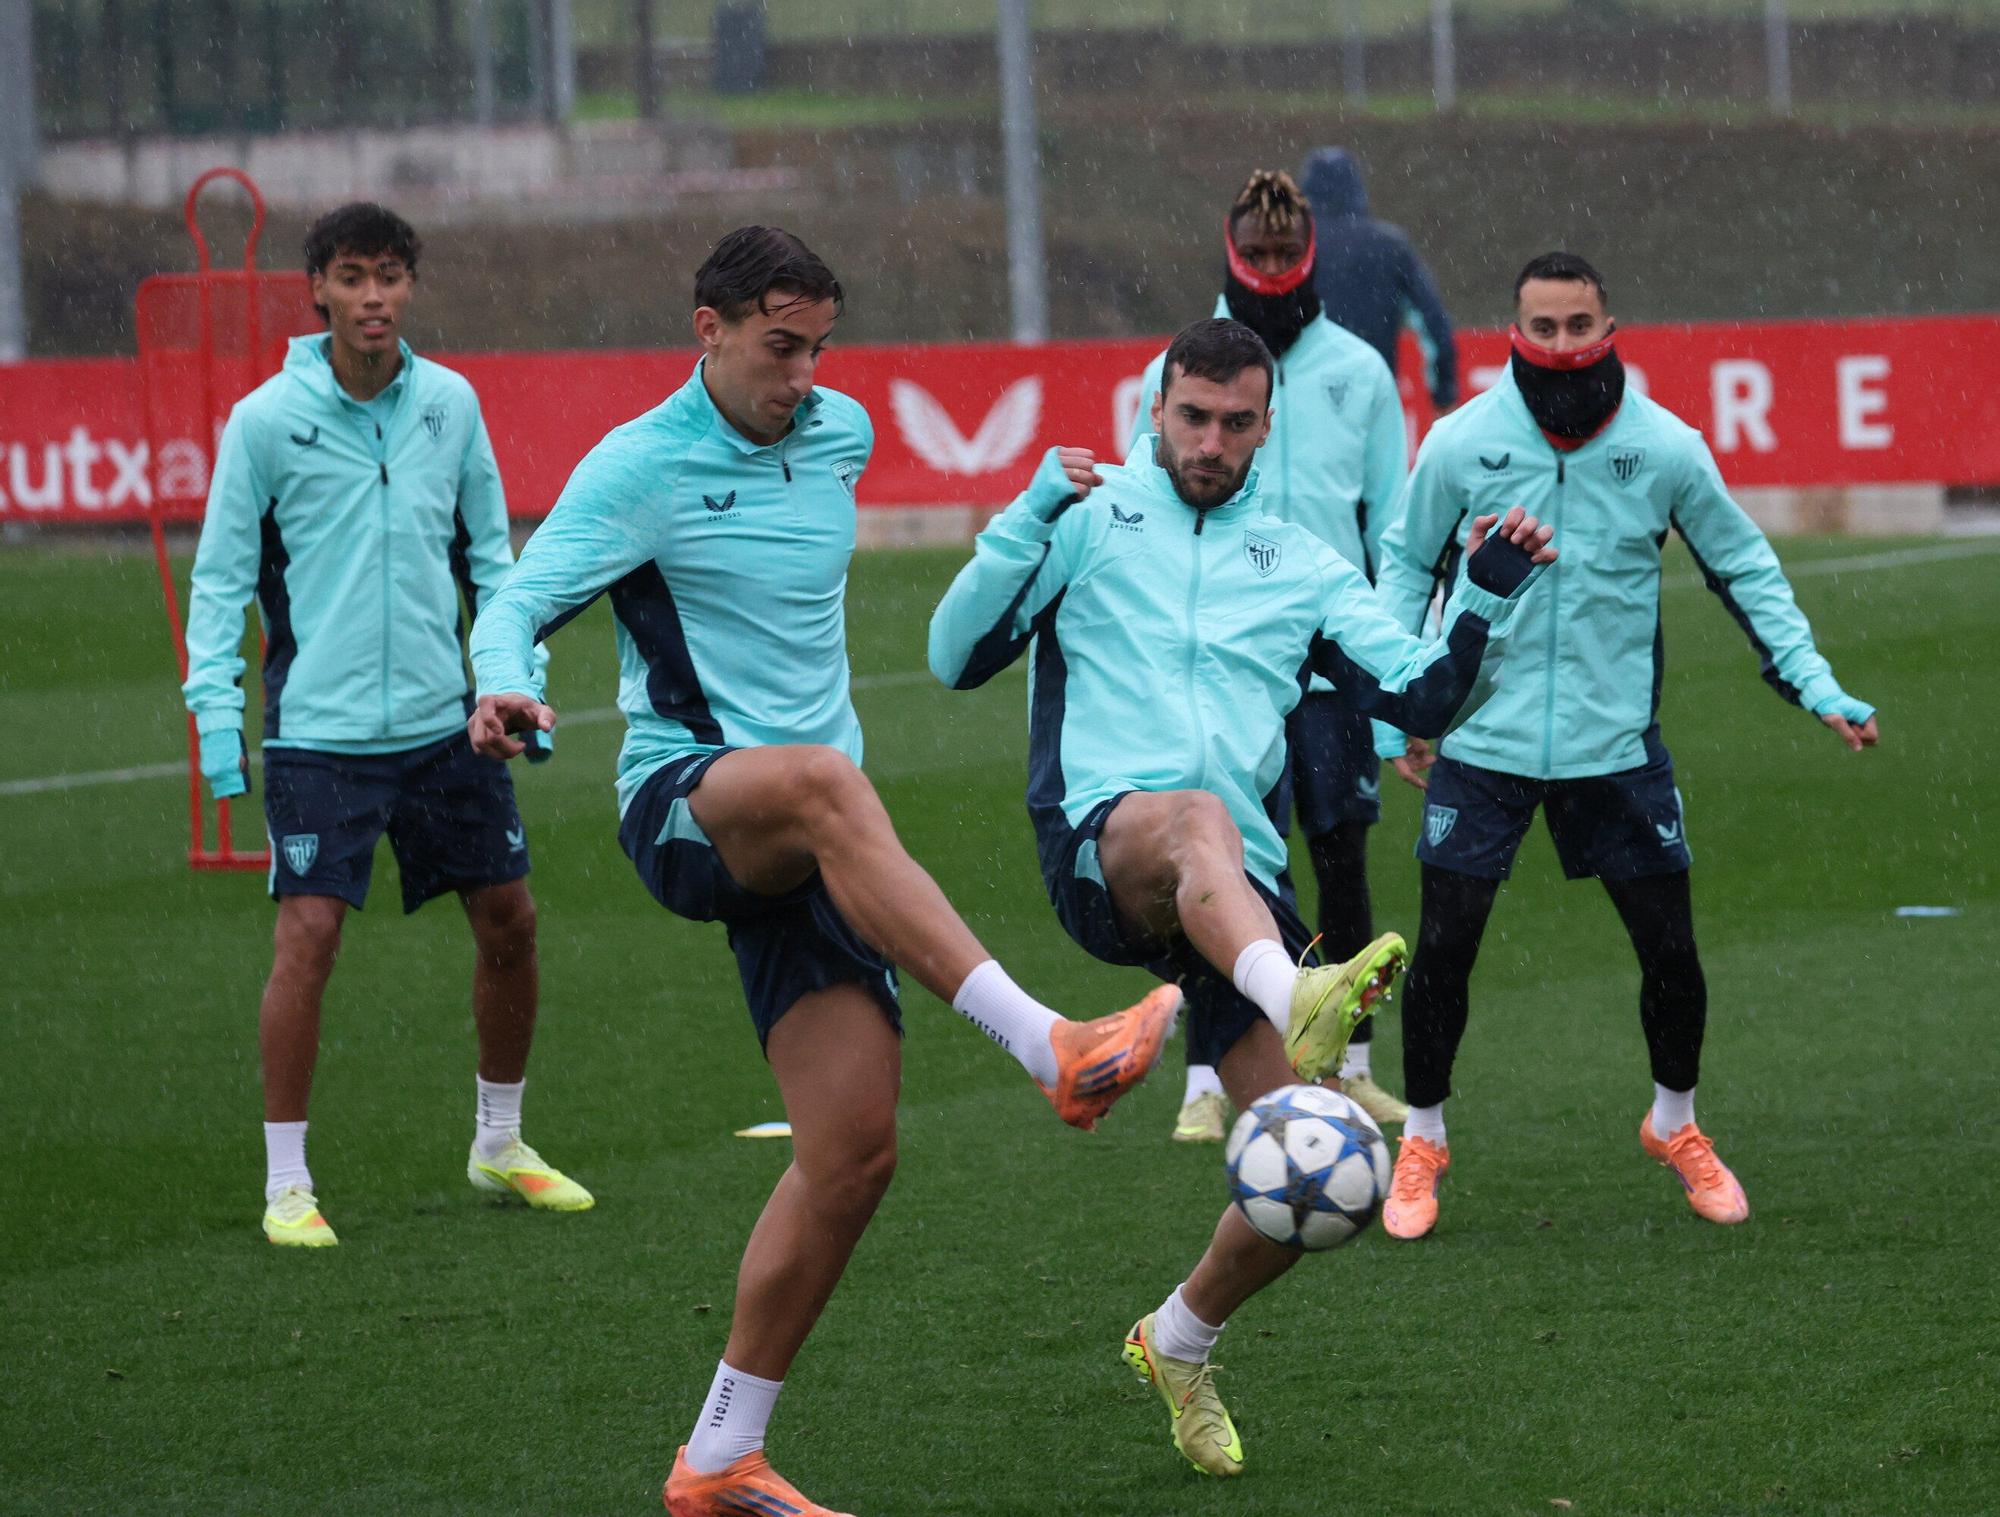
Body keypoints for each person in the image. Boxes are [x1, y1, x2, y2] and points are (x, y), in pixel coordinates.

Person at [465, 226, 1178, 1517]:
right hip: (691, 805)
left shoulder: (838, 435)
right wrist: (505, 680)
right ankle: (1051, 1048)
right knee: (824, 777)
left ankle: (720, 1455)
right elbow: (517, 599)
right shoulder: (638, 467)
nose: (802, 377)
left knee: (851, 1155)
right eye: (778, 348)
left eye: (817, 349)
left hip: (820, 848)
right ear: (710, 329)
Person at [930, 317, 1556, 1477]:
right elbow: (951, 654)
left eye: (1233, 423)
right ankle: (1304, 993)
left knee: (1325, 1172)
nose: (1209, 441)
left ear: (1265, 429)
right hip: (1103, 845)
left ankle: (1177, 1336)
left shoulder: (1303, 565)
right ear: (1155, 410)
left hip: (1233, 892)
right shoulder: (1087, 518)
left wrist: (1482, 597)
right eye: (1190, 417)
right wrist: (1022, 516)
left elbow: (1417, 692)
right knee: (1192, 815)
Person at [1372, 251, 1880, 1242]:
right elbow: (1401, 564)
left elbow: (1745, 568)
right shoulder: (1459, 443)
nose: (1559, 343)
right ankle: (1423, 1138)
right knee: (1443, 951)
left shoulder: (1666, 448)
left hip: (1614, 747)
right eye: (1541, 326)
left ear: (1608, 328)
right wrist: (1401, 706)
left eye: (1576, 325)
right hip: (1482, 741)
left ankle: (1673, 1124)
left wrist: (1812, 681)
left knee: (1671, 958)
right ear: (1512, 332)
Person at [181, 202, 588, 1249]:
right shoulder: (264, 421)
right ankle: (286, 1182)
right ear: (315, 287)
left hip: (443, 730)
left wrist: (514, 687)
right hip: (317, 733)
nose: (375, 296)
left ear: (410, 286)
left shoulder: (451, 404)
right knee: (307, 936)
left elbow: (495, 566)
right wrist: (217, 722)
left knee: (512, 921)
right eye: (354, 276)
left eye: (392, 276)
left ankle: (499, 1140)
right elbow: (221, 580)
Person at [1129, 169, 1411, 1140]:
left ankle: (1353, 1063)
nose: (1272, 273)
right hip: (1216, 657)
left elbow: (1397, 528)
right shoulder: (1175, 372)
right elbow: (1140, 509)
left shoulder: (1358, 373)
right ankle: (1204, 1076)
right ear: (1231, 251)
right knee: (1223, 859)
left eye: (1287, 260)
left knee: (1338, 854)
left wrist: (1395, 675)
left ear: (1309, 260)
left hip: (1328, 660)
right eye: (1258, 259)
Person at [1299, 145, 1459, 414]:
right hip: (1372, 397)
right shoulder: (1389, 245)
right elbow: (1434, 324)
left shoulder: (1288, 248)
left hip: (1301, 400)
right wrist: (1444, 395)